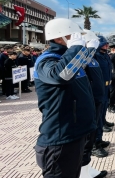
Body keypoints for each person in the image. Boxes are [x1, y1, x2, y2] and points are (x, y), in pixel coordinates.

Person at [33, 18, 97, 177]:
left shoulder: (69, 59)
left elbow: (83, 64)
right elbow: (60, 76)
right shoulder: (47, 60)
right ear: (57, 38)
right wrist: (75, 47)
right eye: (72, 36)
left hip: (76, 133)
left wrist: (88, 49)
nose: (78, 39)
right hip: (60, 138)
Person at [80, 30, 108, 177]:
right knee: (86, 137)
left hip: (98, 99)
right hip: (89, 101)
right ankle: (82, 172)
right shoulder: (82, 58)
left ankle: (86, 169)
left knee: (92, 133)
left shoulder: (92, 58)